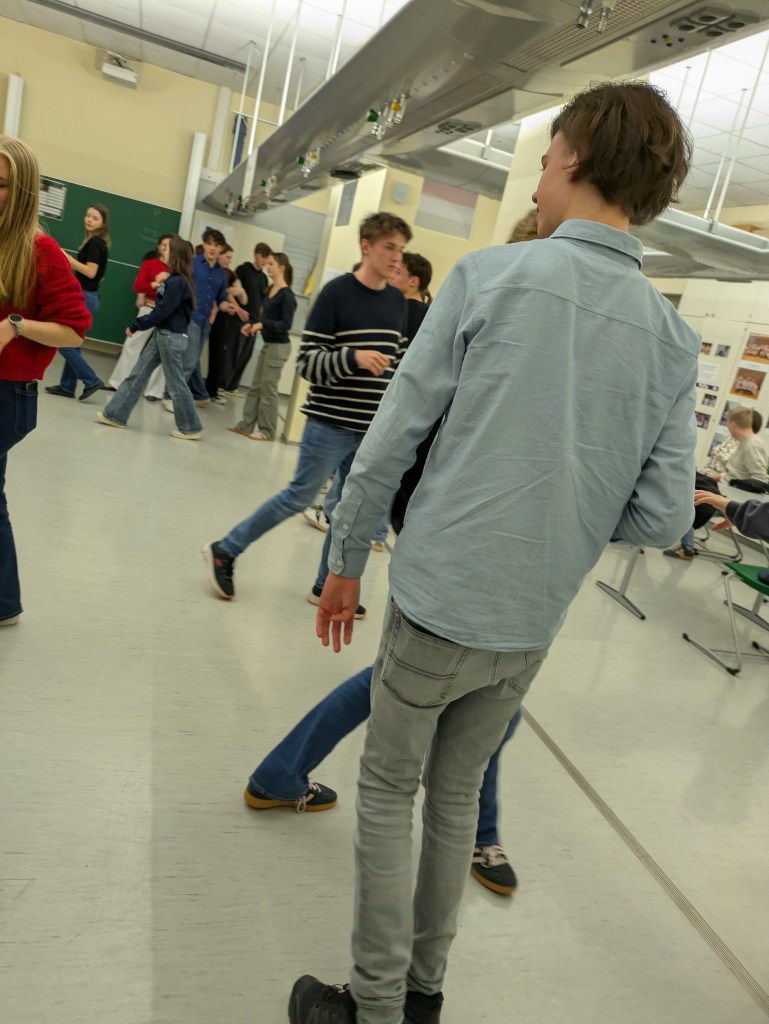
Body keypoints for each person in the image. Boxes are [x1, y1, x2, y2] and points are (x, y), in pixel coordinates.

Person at [287, 80, 698, 1024]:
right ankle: (423, 995)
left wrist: (345, 558)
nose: (540, 180)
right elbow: (660, 519)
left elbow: (392, 439)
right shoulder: (672, 340)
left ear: (573, 159)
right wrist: (568, 508)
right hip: (529, 623)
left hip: (439, 598)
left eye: (546, 161)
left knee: (387, 789)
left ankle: (373, 1006)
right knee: (455, 799)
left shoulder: (486, 278)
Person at [203, 211, 411, 611]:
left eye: (401, 250)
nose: (396, 257)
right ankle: (225, 550)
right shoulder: (335, 295)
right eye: (389, 247)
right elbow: (307, 363)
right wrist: (352, 357)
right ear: (366, 246)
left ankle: (323, 585)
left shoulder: (395, 302)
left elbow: (396, 365)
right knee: (298, 497)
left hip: (368, 430)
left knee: (348, 511)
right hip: (329, 424)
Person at [0, 136, 91, 625]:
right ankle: (4, 603)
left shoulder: (42, 250)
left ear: (23, 192)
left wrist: (15, 325)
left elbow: (74, 330)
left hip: (7, 394)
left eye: (1, 184)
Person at [96, 234, 202, 441]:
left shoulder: (177, 283)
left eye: (167, 249)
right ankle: (115, 415)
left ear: (175, 255)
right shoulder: (174, 280)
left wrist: (136, 325)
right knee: (137, 375)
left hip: (170, 338)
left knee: (176, 384)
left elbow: (161, 311)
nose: (163, 251)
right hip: (162, 335)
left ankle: (191, 427)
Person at [665, 407, 767, 560]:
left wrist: (733, 487)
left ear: (733, 423)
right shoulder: (745, 443)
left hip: (730, 496)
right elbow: (737, 472)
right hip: (725, 490)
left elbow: (760, 480)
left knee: (692, 500)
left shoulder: (752, 445)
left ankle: (686, 548)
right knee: (693, 488)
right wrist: (724, 478)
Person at [228, 251, 297, 441]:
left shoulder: (287, 295)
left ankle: (267, 431)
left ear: (281, 268)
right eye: (267, 263)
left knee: (268, 389)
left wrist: (262, 325)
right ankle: (246, 424)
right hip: (269, 345)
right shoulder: (270, 289)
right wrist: (253, 324)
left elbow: (285, 325)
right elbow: (265, 318)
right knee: (256, 387)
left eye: (271, 263)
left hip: (279, 348)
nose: (267, 266)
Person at [45, 203, 109, 401]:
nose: (89, 220)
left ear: (103, 223)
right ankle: (67, 386)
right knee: (73, 341)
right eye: (88, 215)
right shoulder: (97, 242)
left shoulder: (95, 242)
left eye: (95, 218)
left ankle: (91, 380)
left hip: (85, 297)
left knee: (63, 340)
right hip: (89, 296)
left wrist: (68, 259)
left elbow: (91, 272)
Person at [163, 228, 229, 411]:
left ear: (221, 249)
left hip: (205, 323)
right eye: (209, 244)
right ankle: (170, 397)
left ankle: (173, 395)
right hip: (190, 317)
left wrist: (228, 307)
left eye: (216, 245)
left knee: (190, 362)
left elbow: (222, 299)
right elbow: (178, 280)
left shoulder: (221, 273)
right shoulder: (193, 263)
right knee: (189, 361)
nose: (212, 248)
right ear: (204, 245)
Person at [105, 233, 172, 397]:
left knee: (164, 352)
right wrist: (154, 284)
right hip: (149, 308)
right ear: (159, 247)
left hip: (167, 314)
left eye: (170, 246)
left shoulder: (177, 270)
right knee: (132, 345)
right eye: (164, 245)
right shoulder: (150, 264)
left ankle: (154, 392)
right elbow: (139, 286)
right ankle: (117, 382)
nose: (166, 248)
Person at [224, 241, 272, 395]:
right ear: (255, 254)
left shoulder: (264, 278)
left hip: (254, 321)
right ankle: (223, 385)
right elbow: (231, 291)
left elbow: (262, 302)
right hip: (240, 318)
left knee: (246, 354)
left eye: (266, 259)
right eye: (262, 257)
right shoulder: (243, 269)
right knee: (233, 351)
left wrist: (260, 320)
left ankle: (232, 386)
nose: (264, 261)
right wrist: (237, 309)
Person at [205, 244, 249, 403]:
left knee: (219, 355)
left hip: (222, 319)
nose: (230, 261)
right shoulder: (212, 271)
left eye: (231, 258)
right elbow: (224, 294)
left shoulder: (231, 274)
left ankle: (212, 391)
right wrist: (237, 307)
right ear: (220, 255)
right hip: (207, 315)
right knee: (194, 353)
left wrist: (240, 292)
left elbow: (242, 298)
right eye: (228, 257)